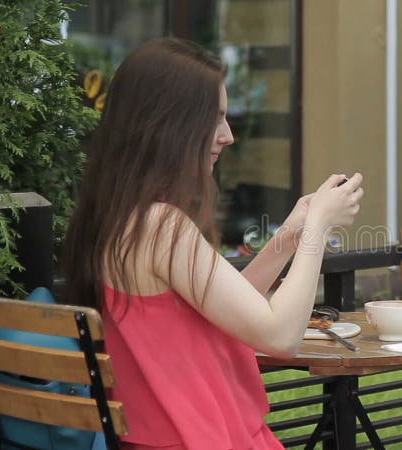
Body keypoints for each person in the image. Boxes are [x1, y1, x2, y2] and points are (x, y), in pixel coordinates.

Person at [63, 37, 363, 449]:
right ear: (169, 122)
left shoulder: (118, 217)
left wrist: (292, 231)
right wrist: (318, 231)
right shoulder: (161, 226)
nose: (229, 135)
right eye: (216, 118)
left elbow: (229, 304)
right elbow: (280, 336)